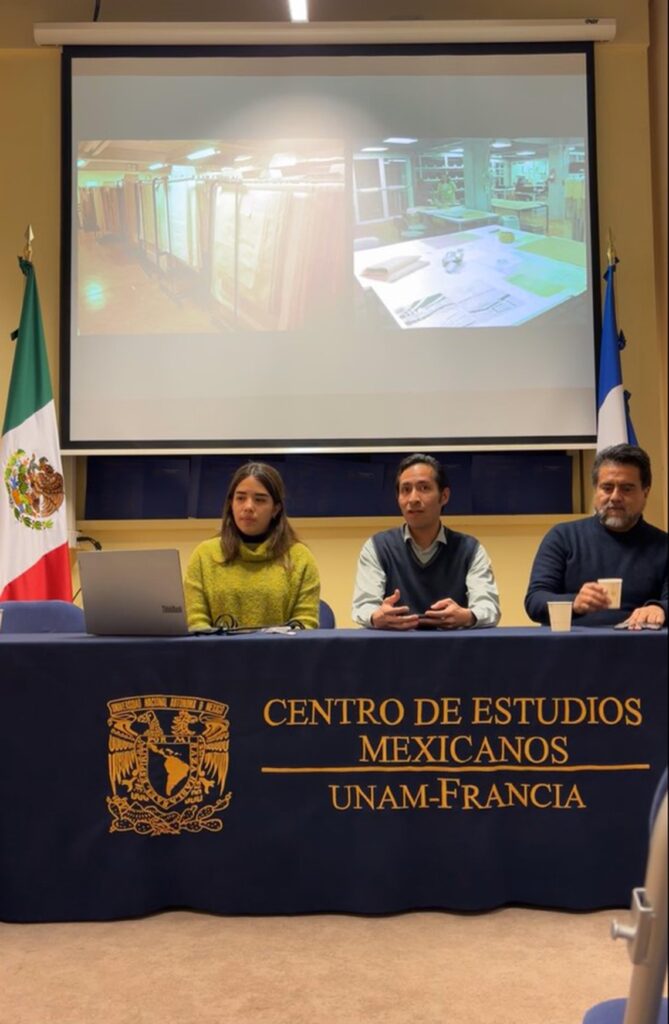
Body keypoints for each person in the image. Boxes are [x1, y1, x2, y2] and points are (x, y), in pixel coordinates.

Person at [524, 444, 667, 628]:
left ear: (645, 492)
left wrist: (660, 608)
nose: (615, 497)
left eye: (627, 488)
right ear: (595, 489)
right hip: (572, 648)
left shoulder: (663, 545)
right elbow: (535, 601)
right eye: (607, 488)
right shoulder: (563, 537)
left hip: (640, 647)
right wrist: (574, 603)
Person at [352, 454, 500, 630]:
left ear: (444, 496)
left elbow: (489, 607)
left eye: (424, 488)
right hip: (394, 649)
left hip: (454, 650)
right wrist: (376, 616)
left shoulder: (470, 549)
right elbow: (363, 607)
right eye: (405, 490)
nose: (413, 499)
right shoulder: (378, 547)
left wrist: (467, 616)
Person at [184, 462, 320, 630]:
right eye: (240, 498)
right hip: (215, 655)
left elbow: (304, 625)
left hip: (281, 655)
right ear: (231, 504)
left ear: (275, 509)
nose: (248, 507)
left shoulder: (299, 557)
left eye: (259, 500)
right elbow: (196, 622)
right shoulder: (204, 555)